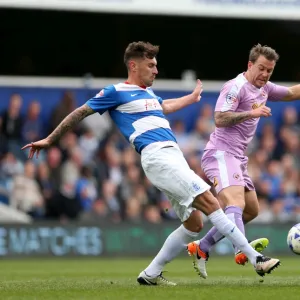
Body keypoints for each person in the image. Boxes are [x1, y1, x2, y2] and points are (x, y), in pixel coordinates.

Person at [22, 41, 280, 285]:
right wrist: (49, 139)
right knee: (212, 203)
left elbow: (164, 106)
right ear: (133, 65)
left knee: (194, 224)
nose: (156, 70)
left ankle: (150, 273)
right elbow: (81, 112)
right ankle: (255, 258)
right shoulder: (115, 92)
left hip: (172, 156)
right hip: (157, 155)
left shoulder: (147, 94)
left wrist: (190, 99)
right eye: (151, 65)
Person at [187, 43, 300, 279]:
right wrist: (252, 113)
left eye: (269, 70)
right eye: (261, 68)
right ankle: (247, 254)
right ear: (250, 65)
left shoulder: (265, 88)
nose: (265, 74)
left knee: (251, 210)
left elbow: (290, 93)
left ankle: (202, 248)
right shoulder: (235, 87)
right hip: (220, 153)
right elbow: (219, 118)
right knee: (235, 203)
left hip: (237, 158)